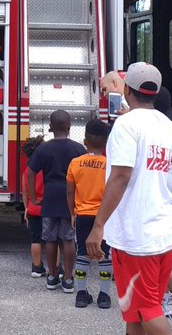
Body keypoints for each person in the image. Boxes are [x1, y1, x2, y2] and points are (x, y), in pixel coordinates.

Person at [86, 63, 172, 335]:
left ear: (127, 89)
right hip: (161, 232)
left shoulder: (126, 125)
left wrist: (98, 224)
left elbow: (121, 177)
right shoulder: (167, 125)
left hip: (136, 237)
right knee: (135, 311)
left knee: (148, 310)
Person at [26, 110, 86, 293]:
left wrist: (33, 198)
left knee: (50, 239)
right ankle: (68, 278)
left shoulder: (43, 148)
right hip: (70, 199)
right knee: (68, 239)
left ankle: (52, 276)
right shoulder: (78, 149)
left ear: (50, 128)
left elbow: (30, 172)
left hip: (49, 198)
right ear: (69, 127)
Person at [66, 119, 113, 310]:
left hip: (83, 215)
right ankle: (104, 296)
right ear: (106, 142)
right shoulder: (110, 165)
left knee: (82, 255)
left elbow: (69, 192)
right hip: (104, 217)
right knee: (105, 255)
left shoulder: (75, 163)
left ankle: (81, 294)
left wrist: (72, 213)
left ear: (85, 141)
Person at [20, 135, 48, 277]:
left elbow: (25, 192)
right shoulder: (46, 169)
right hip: (48, 207)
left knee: (35, 239)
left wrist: (26, 207)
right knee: (52, 239)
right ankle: (57, 268)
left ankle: (37, 267)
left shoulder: (27, 171)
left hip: (33, 208)